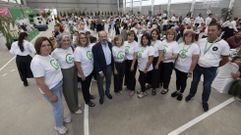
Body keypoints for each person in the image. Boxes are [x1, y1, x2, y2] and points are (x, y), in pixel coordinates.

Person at [185, 21, 230, 112]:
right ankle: (191, 94)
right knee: (194, 82)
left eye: (213, 30)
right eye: (209, 30)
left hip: (211, 69)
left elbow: (225, 59)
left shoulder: (224, 44)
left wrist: (215, 65)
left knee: (207, 86)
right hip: (198, 67)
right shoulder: (202, 41)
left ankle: (204, 101)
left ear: (219, 31)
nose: (210, 32)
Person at [30, 37, 68, 135]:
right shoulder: (37, 61)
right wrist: (50, 95)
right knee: (57, 108)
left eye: (48, 45)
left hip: (57, 85)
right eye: (43, 46)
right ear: (38, 47)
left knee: (59, 107)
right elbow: (39, 82)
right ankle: (58, 126)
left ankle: (61, 119)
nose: (47, 47)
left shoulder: (48, 56)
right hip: (51, 89)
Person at [51, 33, 82, 114]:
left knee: (74, 88)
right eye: (64, 40)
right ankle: (73, 108)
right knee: (68, 92)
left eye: (68, 40)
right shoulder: (55, 52)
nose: (66, 42)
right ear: (59, 41)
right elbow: (53, 65)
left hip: (73, 70)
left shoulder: (70, 48)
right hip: (65, 72)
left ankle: (75, 103)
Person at [171, 30, 200, 101]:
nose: (188, 38)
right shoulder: (181, 44)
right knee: (178, 80)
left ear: (192, 37)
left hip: (186, 69)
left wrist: (190, 71)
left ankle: (181, 93)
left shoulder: (195, 47)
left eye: (190, 36)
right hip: (178, 67)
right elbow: (176, 55)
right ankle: (177, 90)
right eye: (186, 36)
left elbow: (194, 60)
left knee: (183, 81)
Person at [92, 31, 114, 104]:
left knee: (108, 81)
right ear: (99, 37)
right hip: (100, 69)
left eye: (105, 36)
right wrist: (99, 71)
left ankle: (107, 92)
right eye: (102, 37)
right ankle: (101, 96)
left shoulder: (110, 44)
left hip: (109, 67)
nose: (104, 38)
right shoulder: (95, 47)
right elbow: (95, 61)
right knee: (100, 84)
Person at [74, 32, 95, 107]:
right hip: (84, 73)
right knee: (85, 88)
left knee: (88, 85)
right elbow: (77, 63)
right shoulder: (78, 49)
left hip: (89, 71)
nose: (83, 39)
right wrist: (82, 75)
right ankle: (87, 100)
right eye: (81, 38)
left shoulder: (88, 47)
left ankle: (89, 95)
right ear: (78, 39)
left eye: (85, 37)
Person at [160, 28, 179, 94]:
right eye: (169, 34)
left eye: (172, 34)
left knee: (166, 76)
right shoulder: (163, 41)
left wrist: (165, 58)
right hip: (161, 62)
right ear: (166, 35)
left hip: (169, 63)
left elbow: (175, 55)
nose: (170, 36)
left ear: (174, 35)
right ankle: (160, 84)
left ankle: (165, 88)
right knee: (161, 74)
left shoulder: (175, 44)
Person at [136, 33, 154, 98]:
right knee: (141, 79)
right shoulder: (140, 47)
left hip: (146, 68)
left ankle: (143, 92)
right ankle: (143, 89)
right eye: (143, 39)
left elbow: (150, 59)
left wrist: (146, 68)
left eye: (146, 39)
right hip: (140, 67)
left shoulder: (150, 48)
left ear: (149, 40)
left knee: (141, 80)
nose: (144, 40)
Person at [124, 30, 138, 96]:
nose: (130, 37)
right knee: (127, 74)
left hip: (133, 61)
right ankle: (128, 85)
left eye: (132, 36)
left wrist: (132, 65)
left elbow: (135, 55)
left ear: (134, 37)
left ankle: (132, 89)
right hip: (126, 61)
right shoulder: (125, 42)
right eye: (129, 35)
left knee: (132, 75)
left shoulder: (135, 44)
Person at [150, 29, 164, 95]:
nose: (154, 35)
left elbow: (161, 54)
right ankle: (150, 84)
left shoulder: (160, 43)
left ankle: (154, 88)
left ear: (157, 35)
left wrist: (158, 63)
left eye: (155, 34)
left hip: (156, 59)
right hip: (149, 59)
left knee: (155, 74)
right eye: (153, 33)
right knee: (149, 73)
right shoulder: (149, 41)